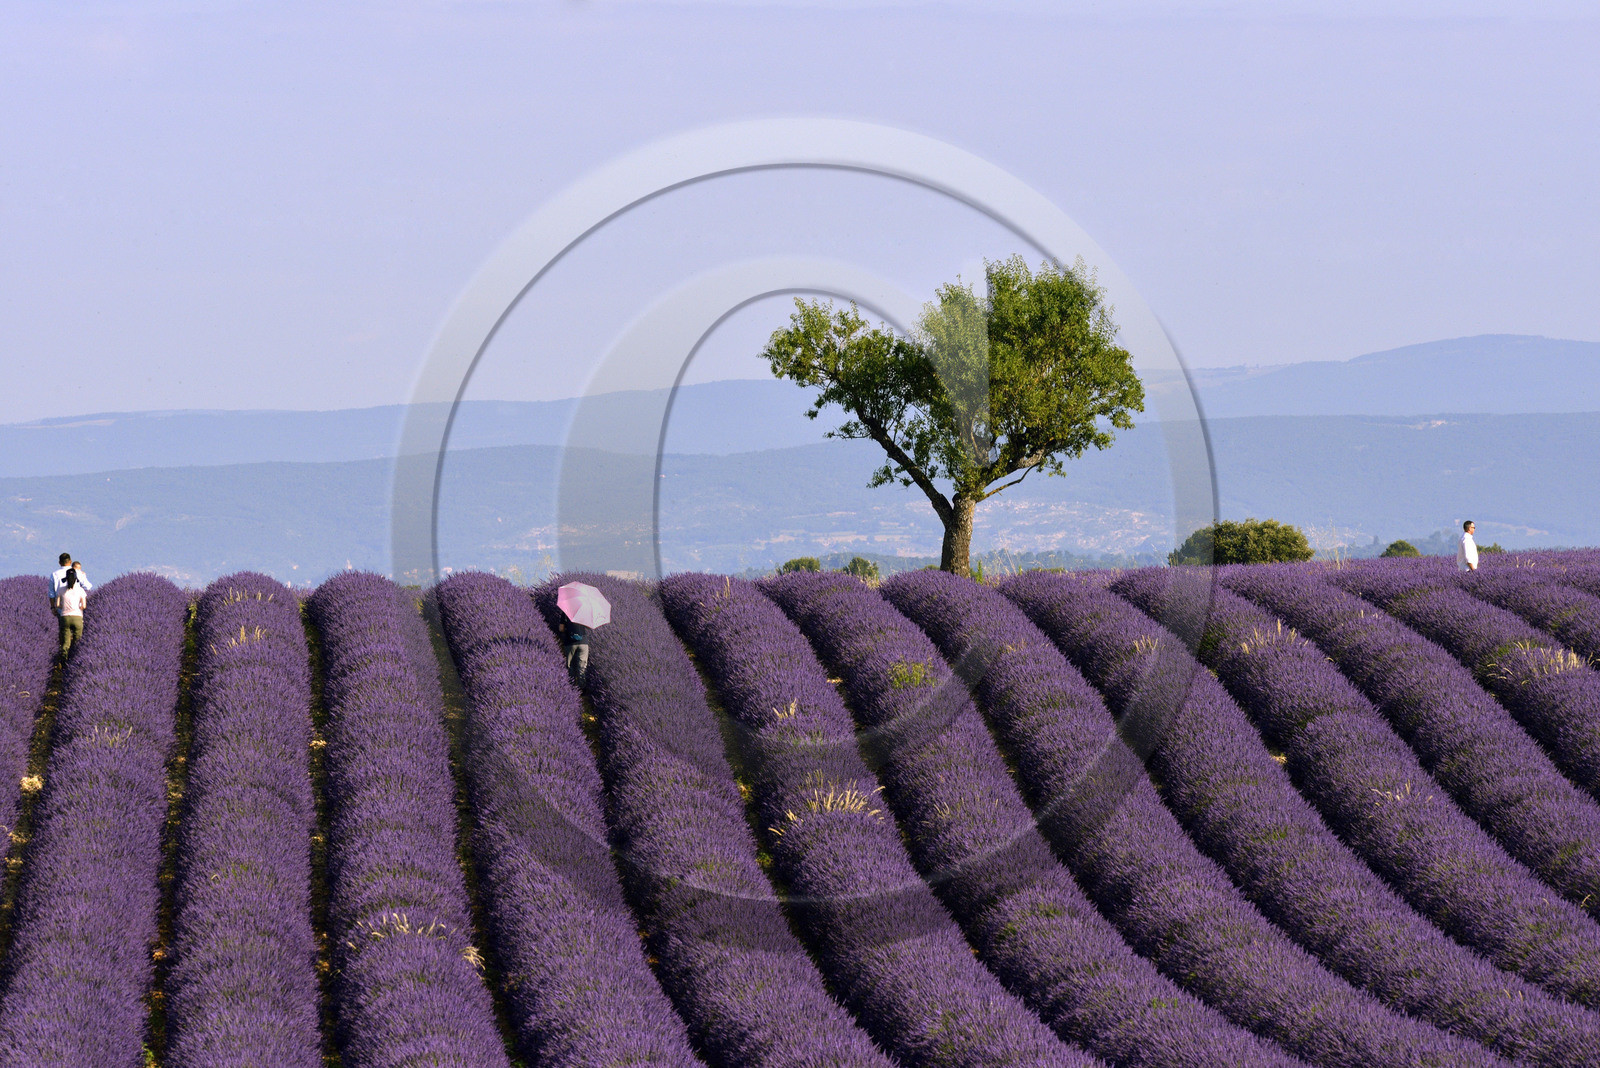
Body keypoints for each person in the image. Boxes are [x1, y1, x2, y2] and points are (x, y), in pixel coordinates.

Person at [57, 567, 87, 655]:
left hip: (65, 617)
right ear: (75, 579)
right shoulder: (80, 590)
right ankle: (74, 658)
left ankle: (64, 657)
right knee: (77, 641)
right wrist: (78, 607)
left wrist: (64, 606)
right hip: (77, 617)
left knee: (66, 642)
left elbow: (58, 605)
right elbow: (84, 606)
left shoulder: (61, 589)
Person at [557, 616, 590, 686]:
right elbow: (589, 626)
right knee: (582, 666)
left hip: (570, 643)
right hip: (583, 643)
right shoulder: (583, 612)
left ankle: (572, 686)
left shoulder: (566, 612)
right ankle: (582, 687)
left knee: (570, 665)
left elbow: (561, 629)